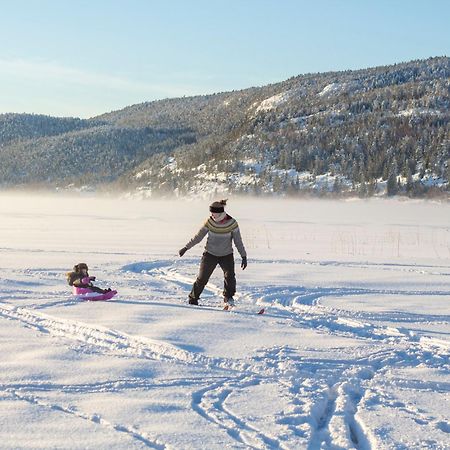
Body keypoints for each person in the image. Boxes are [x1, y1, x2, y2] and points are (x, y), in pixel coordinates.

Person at [178, 199, 247, 306]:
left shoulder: (232, 223)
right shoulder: (209, 222)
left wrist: (243, 256)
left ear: (220, 213)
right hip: (210, 254)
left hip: (226, 255)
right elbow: (198, 237)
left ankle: (228, 297)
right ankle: (193, 298)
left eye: (214, 213)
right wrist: (186, 248)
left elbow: (238, 241)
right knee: (202, 278)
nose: (212, 215)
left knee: (230, 277)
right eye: (211, 213)